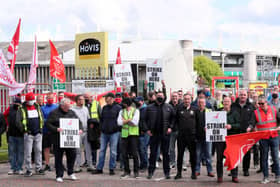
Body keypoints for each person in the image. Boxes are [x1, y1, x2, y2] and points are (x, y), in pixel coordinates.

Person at [46, 98, 83, 182]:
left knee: (72, 155)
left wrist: (80, 129)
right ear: (62, 106)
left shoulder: (72, 112)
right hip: (58, 139)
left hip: (70, 139)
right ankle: (59, 175)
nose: (68, 108)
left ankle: (71, 172)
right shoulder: (54, 113)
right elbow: (48, 124)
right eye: (66, 106)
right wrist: (56, 129)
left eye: (69, 106)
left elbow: (79, 122)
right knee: (58, 157)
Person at [248, 96, 280, 184]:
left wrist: (279, 127)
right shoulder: (256, 112)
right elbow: (252, 123)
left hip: (274, 137)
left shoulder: (274, 109)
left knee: (276, 158)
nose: (260, 105)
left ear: (267, 102)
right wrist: (249, 128)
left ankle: (278, 176)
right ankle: (265, 177)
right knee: (264, 158)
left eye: (262, 103)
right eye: (259, 104)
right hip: (263, 138)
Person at [146, 91, 175, 179]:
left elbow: (173, 118)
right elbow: (144, 119)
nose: (160, 97)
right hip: (154, 134)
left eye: (161, 96)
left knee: (166, 154)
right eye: (158, 96)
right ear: (155, 97)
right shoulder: (149, 107)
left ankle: (167, 173)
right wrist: (147, 129)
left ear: (164, 97)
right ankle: (150, 172)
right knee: (153, 154)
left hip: (165, 134)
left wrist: (171, 127)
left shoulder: (169, 107)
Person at [92, 92, 122, 175]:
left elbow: (120, 120)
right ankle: (99, 168)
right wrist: (101, 128)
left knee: (113, 151)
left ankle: (111, 168)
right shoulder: (104, 108)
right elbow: (101, 119)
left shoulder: (118, 108)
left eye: (107, 98)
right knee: (102, 151)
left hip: (114, 133)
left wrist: (117, 129)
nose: (105, 99)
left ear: (112, 99)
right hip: (104, 133)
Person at [16, 92, 45, 177]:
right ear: (26, 100)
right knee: (28, 152)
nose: (31, 101)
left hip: (38, 133)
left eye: (32, 99)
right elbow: (18, 121)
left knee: (39, 151)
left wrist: (40, 129)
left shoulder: (37, 106)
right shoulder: (21, 108)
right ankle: (29, 169)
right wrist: (24, 130)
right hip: (28, 133)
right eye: (30, 100)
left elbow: (41, 117)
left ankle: (38, 168)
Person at [215, 97, 240, 183]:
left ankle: (234, 175)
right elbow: (212, 122)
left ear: (231, 103)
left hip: (231, 139)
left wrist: (231, 126)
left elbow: (239, 125)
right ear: (222, 102)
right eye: (225, 101)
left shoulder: (235, 113)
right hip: (220, 138)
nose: (226, 103)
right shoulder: (217, 112)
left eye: (228, 101)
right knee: (219, 158)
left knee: (233, 158)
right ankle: (219, 176)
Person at [231, 90, 255, 176]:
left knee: (246, 152)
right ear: (238, 95)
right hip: (235, 132)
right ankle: (233, 170)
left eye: (244, 95)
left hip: (246, 132)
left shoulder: (251, 106)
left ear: (247, 96)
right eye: (241, 95)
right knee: (234, 152)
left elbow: (253, 119)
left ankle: (246, 170)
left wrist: (250, 127)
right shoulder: (233, 106)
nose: (243, 96)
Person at [174, 94, 197, 180]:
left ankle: (193, 173)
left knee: (193, 155)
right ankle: (179, 173)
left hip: (192, 136)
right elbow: (175, 120)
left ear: (191, 100)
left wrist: (196, 133)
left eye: (188, 99)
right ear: (183, 100)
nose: (187, 101)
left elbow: (198, 122)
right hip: (181, 136)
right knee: (180, 155)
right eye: (185, 99)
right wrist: (177, 129)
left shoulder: (195, 109)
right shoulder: (179, 109)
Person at [117, 97, 140, 178]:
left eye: (123, 103)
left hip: (133, 135)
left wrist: (125, 121)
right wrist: (129, 120)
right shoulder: (121, 111)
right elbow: (119, 122)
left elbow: (135, 122)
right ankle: (127, 171)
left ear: (126, 104)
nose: (122, 104)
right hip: (124, 135)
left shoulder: (136, 111)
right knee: (124, 154)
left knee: (134, 154)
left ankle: (136, 171)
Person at [71, 95, 93, 172]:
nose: (82, 101)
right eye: (80, 100)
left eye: (83, 99)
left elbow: (88, 119)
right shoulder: (72, 110)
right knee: (78, 150)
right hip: (77, 132)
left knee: (88, 149)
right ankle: (78, 166)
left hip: (86, 131)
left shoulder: (86, 109)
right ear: (76, 101)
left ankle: (90, 165)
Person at [195, 97, 214, 177]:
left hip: (208, 136)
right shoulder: (195, 112)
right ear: (197, 103)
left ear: (205, 104)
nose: (201, 104)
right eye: (199, 103)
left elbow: (214, 123)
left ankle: (210, 171)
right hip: (198, 137)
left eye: (202, 103)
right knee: (197, 154)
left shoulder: (209, 111)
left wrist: (209, 128)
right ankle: (197, 170)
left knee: (208, 154)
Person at [5, 97, 23, 175]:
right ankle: (13, 168)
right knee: (12, 152)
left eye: (17, 103)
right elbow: (5, 115)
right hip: (11, 133)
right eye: (14, 103)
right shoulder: (10, 108)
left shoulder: (22, 109)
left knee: (20, 152)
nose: (15, 104)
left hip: (20, 134)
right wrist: (7, 124)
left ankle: (19, 168)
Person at [84, 92, 101, 168]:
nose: (86, 99)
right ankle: (87, 161)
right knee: (86, 146)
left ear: (91, 97)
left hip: (94, 128)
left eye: (88, 97)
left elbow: (100, 116)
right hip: (86, 127)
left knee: (94, 145)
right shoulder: (83, 105)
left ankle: (94, 161)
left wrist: (97, 126)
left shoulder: (96, 104)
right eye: (85, 97)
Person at [41, 93, 58, 171]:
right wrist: (49, 121)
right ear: (46, 99)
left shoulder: (57, 107)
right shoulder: (42, 108)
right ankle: (47, 164)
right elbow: (42, 118)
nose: (50, 99)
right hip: (46, 131)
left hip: (55, 131)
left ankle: (58, 163)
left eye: (51, 98)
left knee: (57, 149)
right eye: (48, 98)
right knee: (46, 148)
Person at [134, 96, 149, 172]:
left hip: (144, 132)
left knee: (143, 149)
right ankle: (142, 164)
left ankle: (145, 165)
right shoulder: (136, 109)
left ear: (142, 101)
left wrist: (145, 129)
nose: (137, 103)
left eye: (138, 101)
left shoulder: (146, 109)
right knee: (140, 149)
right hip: (137, 131)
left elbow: (148, 121)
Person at [168, 91, 180, 169]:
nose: (174, 98)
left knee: (181, 148)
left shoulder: (181, 106)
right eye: (173, 97)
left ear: (178, 97)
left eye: (176, 97)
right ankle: (172, 162)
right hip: (171, 130)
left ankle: (181, 163)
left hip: (180, 130)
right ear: (171, 98)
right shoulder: (168, 106)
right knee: (171, 148)